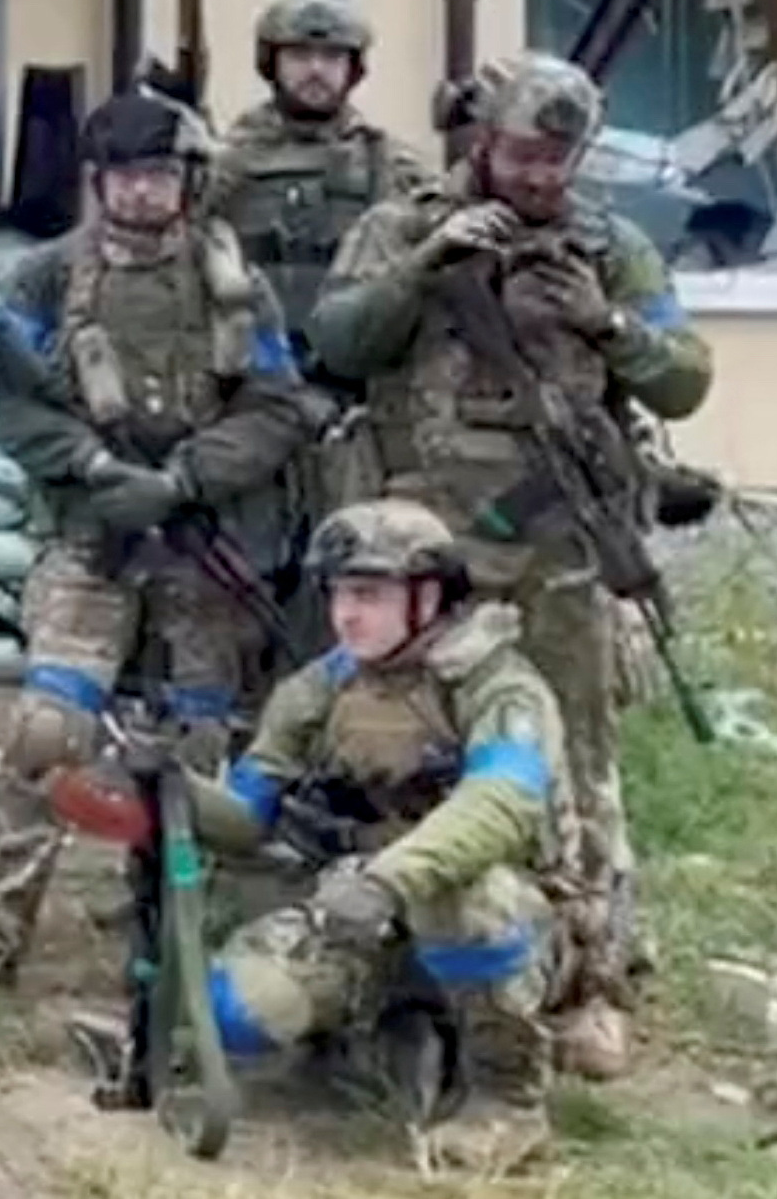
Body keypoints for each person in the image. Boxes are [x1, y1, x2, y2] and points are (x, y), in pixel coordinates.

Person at [308, 52, 710, 1071]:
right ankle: (412, 969)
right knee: (404, 745)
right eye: (526, 151)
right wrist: (426, 264)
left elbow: (686, 381)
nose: (541, 174)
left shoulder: (609, 244)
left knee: (576, 758)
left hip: (560, 546)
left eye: (560, 156)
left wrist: (605, 323)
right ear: (483, 138)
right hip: (426, 551)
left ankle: (589, 978)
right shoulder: (404, 221)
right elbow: (339, 340)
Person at [0, 94, 321, 971]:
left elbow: (277, 405)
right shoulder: (45, 278)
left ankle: (176, 935)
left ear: (189, 181)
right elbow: (2, 398)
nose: (142, 193)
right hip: (92, 541)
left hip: (204, 548)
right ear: (98, 182)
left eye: (160, 175)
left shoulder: (232, 282)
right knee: (46, 733)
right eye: (126, 176)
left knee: (197, 749)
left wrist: (184, 479)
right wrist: (93, 470)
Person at [184, 500, 574, 1174]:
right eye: (337, 594)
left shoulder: (496, 683)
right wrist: (163, 789)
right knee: (233, 1014)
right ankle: (383, 1034)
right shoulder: (322, 686)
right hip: (360, 910)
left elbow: (498, 804)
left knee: (455, 898)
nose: (345, 615)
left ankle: (507, 1100)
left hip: (503, 910)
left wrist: (390, 878)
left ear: (428, 596)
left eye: (368, 594)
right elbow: (246, 815)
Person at [202, 0, 434, 358]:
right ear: (271, 64)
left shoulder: (391, 164)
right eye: (298, 55)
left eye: (331, 57)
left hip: (356, 372)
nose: (315, 69)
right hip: (254, 370)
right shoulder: (225, 163)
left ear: (353, 69)